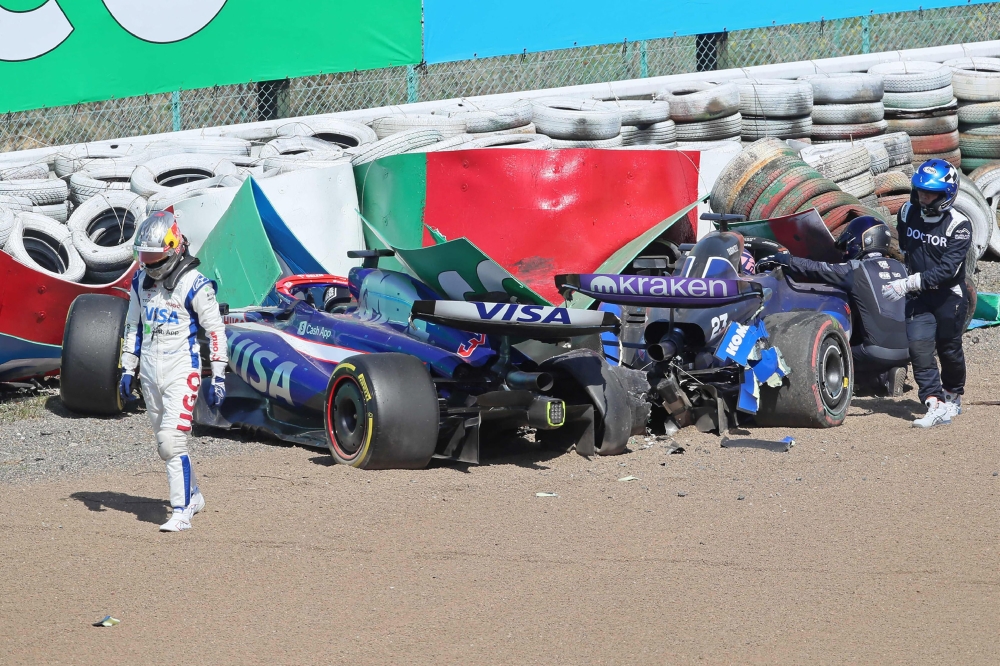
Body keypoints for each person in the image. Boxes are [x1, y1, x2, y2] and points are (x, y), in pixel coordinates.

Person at [119, 210, 228, 531]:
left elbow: (216, 330)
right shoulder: (139, 281)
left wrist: (219, 375)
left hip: (183, 370)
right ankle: (193, 495)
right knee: (163, 443)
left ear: (173, 248)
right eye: (144, 255)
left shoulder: (195, 284)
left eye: (153, 255)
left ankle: (180, 512)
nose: (148, 262)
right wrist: (128, 368)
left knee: (171, 441)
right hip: (150, 373)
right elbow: (133, 325)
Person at [769, 216, 910, 396]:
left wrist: (785, 260)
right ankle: (890, 372)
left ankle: (879, 379)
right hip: (908, 350)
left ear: (860, 242)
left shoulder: (856, 269)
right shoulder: (902, 269)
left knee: (826, 355)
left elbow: (817, 268)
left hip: (874, 352)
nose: (845, 252)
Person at [882, 158, 971, 428]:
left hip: (949, 297)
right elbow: (906, 247)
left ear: (945, 195)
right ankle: (934, 402)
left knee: (949, 349)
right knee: (919, 349)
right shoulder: (907, 212)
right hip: (920, 298)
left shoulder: (961, 226)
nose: (923, 197)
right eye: (920, 190)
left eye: (930, 192)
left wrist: (907, 283)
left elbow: (947, 270)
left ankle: (953, 395)